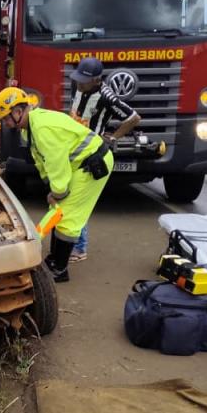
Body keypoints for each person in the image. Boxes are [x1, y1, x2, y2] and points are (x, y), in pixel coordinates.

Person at [0, 88, 113, 283]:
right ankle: (54, 260)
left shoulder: (41, 128)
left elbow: (56, 162)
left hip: (92, 164)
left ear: (18, 111)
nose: (6, 123)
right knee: (58, 211)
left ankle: (59, 269)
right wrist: (51, 188)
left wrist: (58, 192)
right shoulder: (30, 128)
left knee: (68, 219)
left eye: (6, 118)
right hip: (79, 164)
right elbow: (41, 161)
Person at [67, 57, 141, 263]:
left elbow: (134, 118)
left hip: (91, 154)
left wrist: (112, 138)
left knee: (78, 201)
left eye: (84, 80)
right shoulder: (78, 87)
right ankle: (71, 242)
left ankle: (79, 248)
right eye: (78, 79)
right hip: (73, 150)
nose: (80, 83)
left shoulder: (106, 96)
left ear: (97, 80)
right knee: (69, 198)